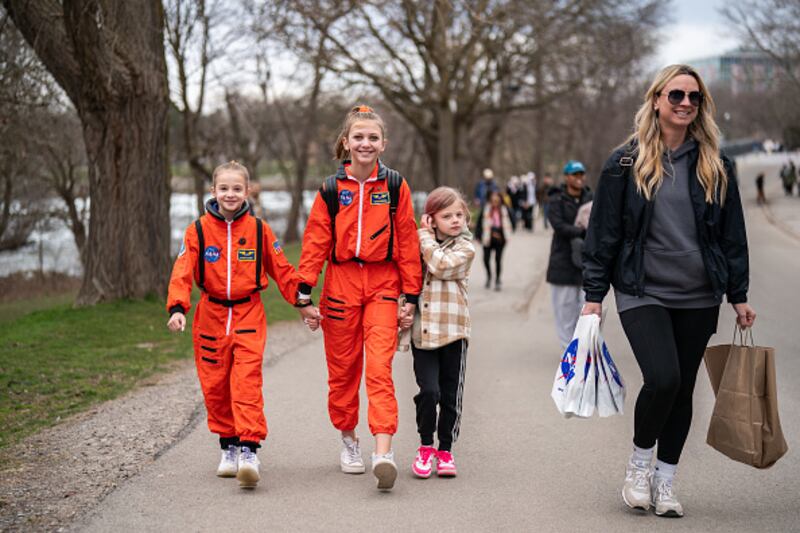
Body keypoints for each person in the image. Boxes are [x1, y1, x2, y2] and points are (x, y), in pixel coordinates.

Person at [582, 64, 756, 518]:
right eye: (676, 95)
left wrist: (738, 294)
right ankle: (639, 466)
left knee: (683, 391)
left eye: (694, 98)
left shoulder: (716, 164)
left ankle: (666, 480)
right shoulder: (625, 162)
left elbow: (732, 235)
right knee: (664, 378)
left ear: (701, 106)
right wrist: (593, 295)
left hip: (699, 294)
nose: (684, 104)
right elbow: (603, 234)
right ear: (656, 99)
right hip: (643, 290)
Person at [166, 161, 315, 489]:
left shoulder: (259, 230)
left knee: (246, 384)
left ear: (247, 192)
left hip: (249, 315)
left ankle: (249, 450)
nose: (230, 194)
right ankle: (228, 446)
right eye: (224, 188)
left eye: (237, 189)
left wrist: (302, 302)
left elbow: (282, 269)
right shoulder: (198, 231)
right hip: (210, 317)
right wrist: (178, 308)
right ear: (213, 191)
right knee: (216, 386)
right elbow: (182, 270)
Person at [296, 105, 422, 491]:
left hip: (383, 285)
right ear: (346, 143)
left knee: (379, 370)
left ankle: (383, 451)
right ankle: (349, 440)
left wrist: (410, 295)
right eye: (358, 137)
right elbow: (316, 241)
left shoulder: (396, 187)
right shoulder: (331, 190)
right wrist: (304, 294)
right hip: (340, 286)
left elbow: (407, 242)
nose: (365, 143)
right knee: (343, 372)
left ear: (383, 143)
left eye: (372, 137)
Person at [410, 187, 475, 479]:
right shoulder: (418, 246)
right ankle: (426, 446)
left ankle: (445, 450)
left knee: (450, 396)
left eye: (459, 214)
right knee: (429, 392)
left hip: (454, 332)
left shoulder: (465, 248)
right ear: (431, 218)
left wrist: (423, 236)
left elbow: (439, 265)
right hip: (424, 333)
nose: (455, 220)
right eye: (447, 215)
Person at [546, 160, 592, 348]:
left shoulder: (591, 198)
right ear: (567, 177)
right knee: (565, 310)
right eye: (575, 174)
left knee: (584, 309)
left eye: (581, 174)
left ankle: (582, 347)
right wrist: (581, 231)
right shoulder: (556, 200)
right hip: (562, 262)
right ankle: (567, 350)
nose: (579, 178)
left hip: (585, 262)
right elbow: (558, 226)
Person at [480, 190, 512, 291]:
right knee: (485, 259)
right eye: (493, 199)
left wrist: (508, 231)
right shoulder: (485, 209)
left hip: (500, 237)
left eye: (497, 199)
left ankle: (498, 280)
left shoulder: (504, 209)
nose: (495, 201)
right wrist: (477, 236)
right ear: (490, 199)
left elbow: (512, 220)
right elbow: (479, 223)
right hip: (487, 236)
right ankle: (489, 276)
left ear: (500, 200)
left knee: (498, 259)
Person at [473, 168, 499, 242]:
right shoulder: (480, 184)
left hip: (491, 205)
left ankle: (492, 234)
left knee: (491, 219)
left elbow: (496, 193)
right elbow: (477, 192)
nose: (488, 179)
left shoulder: (494, 184)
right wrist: (476, 199)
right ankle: (478, 235)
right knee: (480, 219)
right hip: (482, 204)